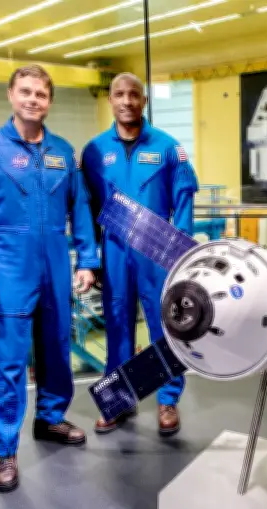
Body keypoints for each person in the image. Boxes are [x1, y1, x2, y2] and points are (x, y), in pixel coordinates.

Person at [0, 64, 99, 493]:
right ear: (11, 95)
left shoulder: (63, 152)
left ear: (49, 101)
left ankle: (50, 419)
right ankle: (4, 449)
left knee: (57, 349)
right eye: (26, 91)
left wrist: (87, 260)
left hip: (55, 265)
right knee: (9, 362)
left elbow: (80, 208)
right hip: (8, 268)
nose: (33, 99)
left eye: (41, 93)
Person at [80, 72, 199, 437]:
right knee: (117, 326)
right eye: (119, 94)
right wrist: (89, 258)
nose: (127, 101)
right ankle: (117, 399)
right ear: (110, 100)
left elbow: (183, 200)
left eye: (134, 95)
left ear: (144, 101)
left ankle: (167, 400)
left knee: (166, 325)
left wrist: (180, 253)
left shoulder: (167, 148)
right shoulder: (94, 151)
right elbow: (85, 207)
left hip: (157, 253)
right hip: (114, 250)